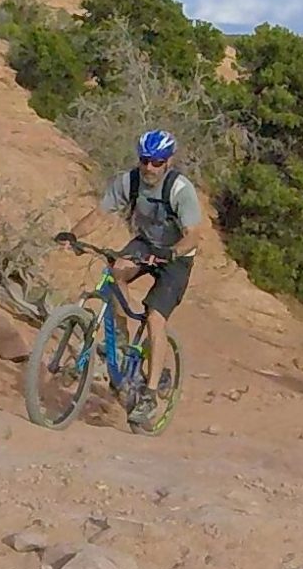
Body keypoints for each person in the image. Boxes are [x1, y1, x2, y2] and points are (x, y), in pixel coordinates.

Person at [60, 128, 201, 424]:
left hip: (176, 257)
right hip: (146, 244)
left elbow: (192, 236)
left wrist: (172, 254)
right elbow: (100, 214)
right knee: (115, 273)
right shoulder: (130, 181)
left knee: (154, 317)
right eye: (145, 160)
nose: (150, 168)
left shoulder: (180, 190)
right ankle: (123, 342)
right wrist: (73, 234)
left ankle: (149, 394)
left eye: (157, 162)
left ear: (169, 161)